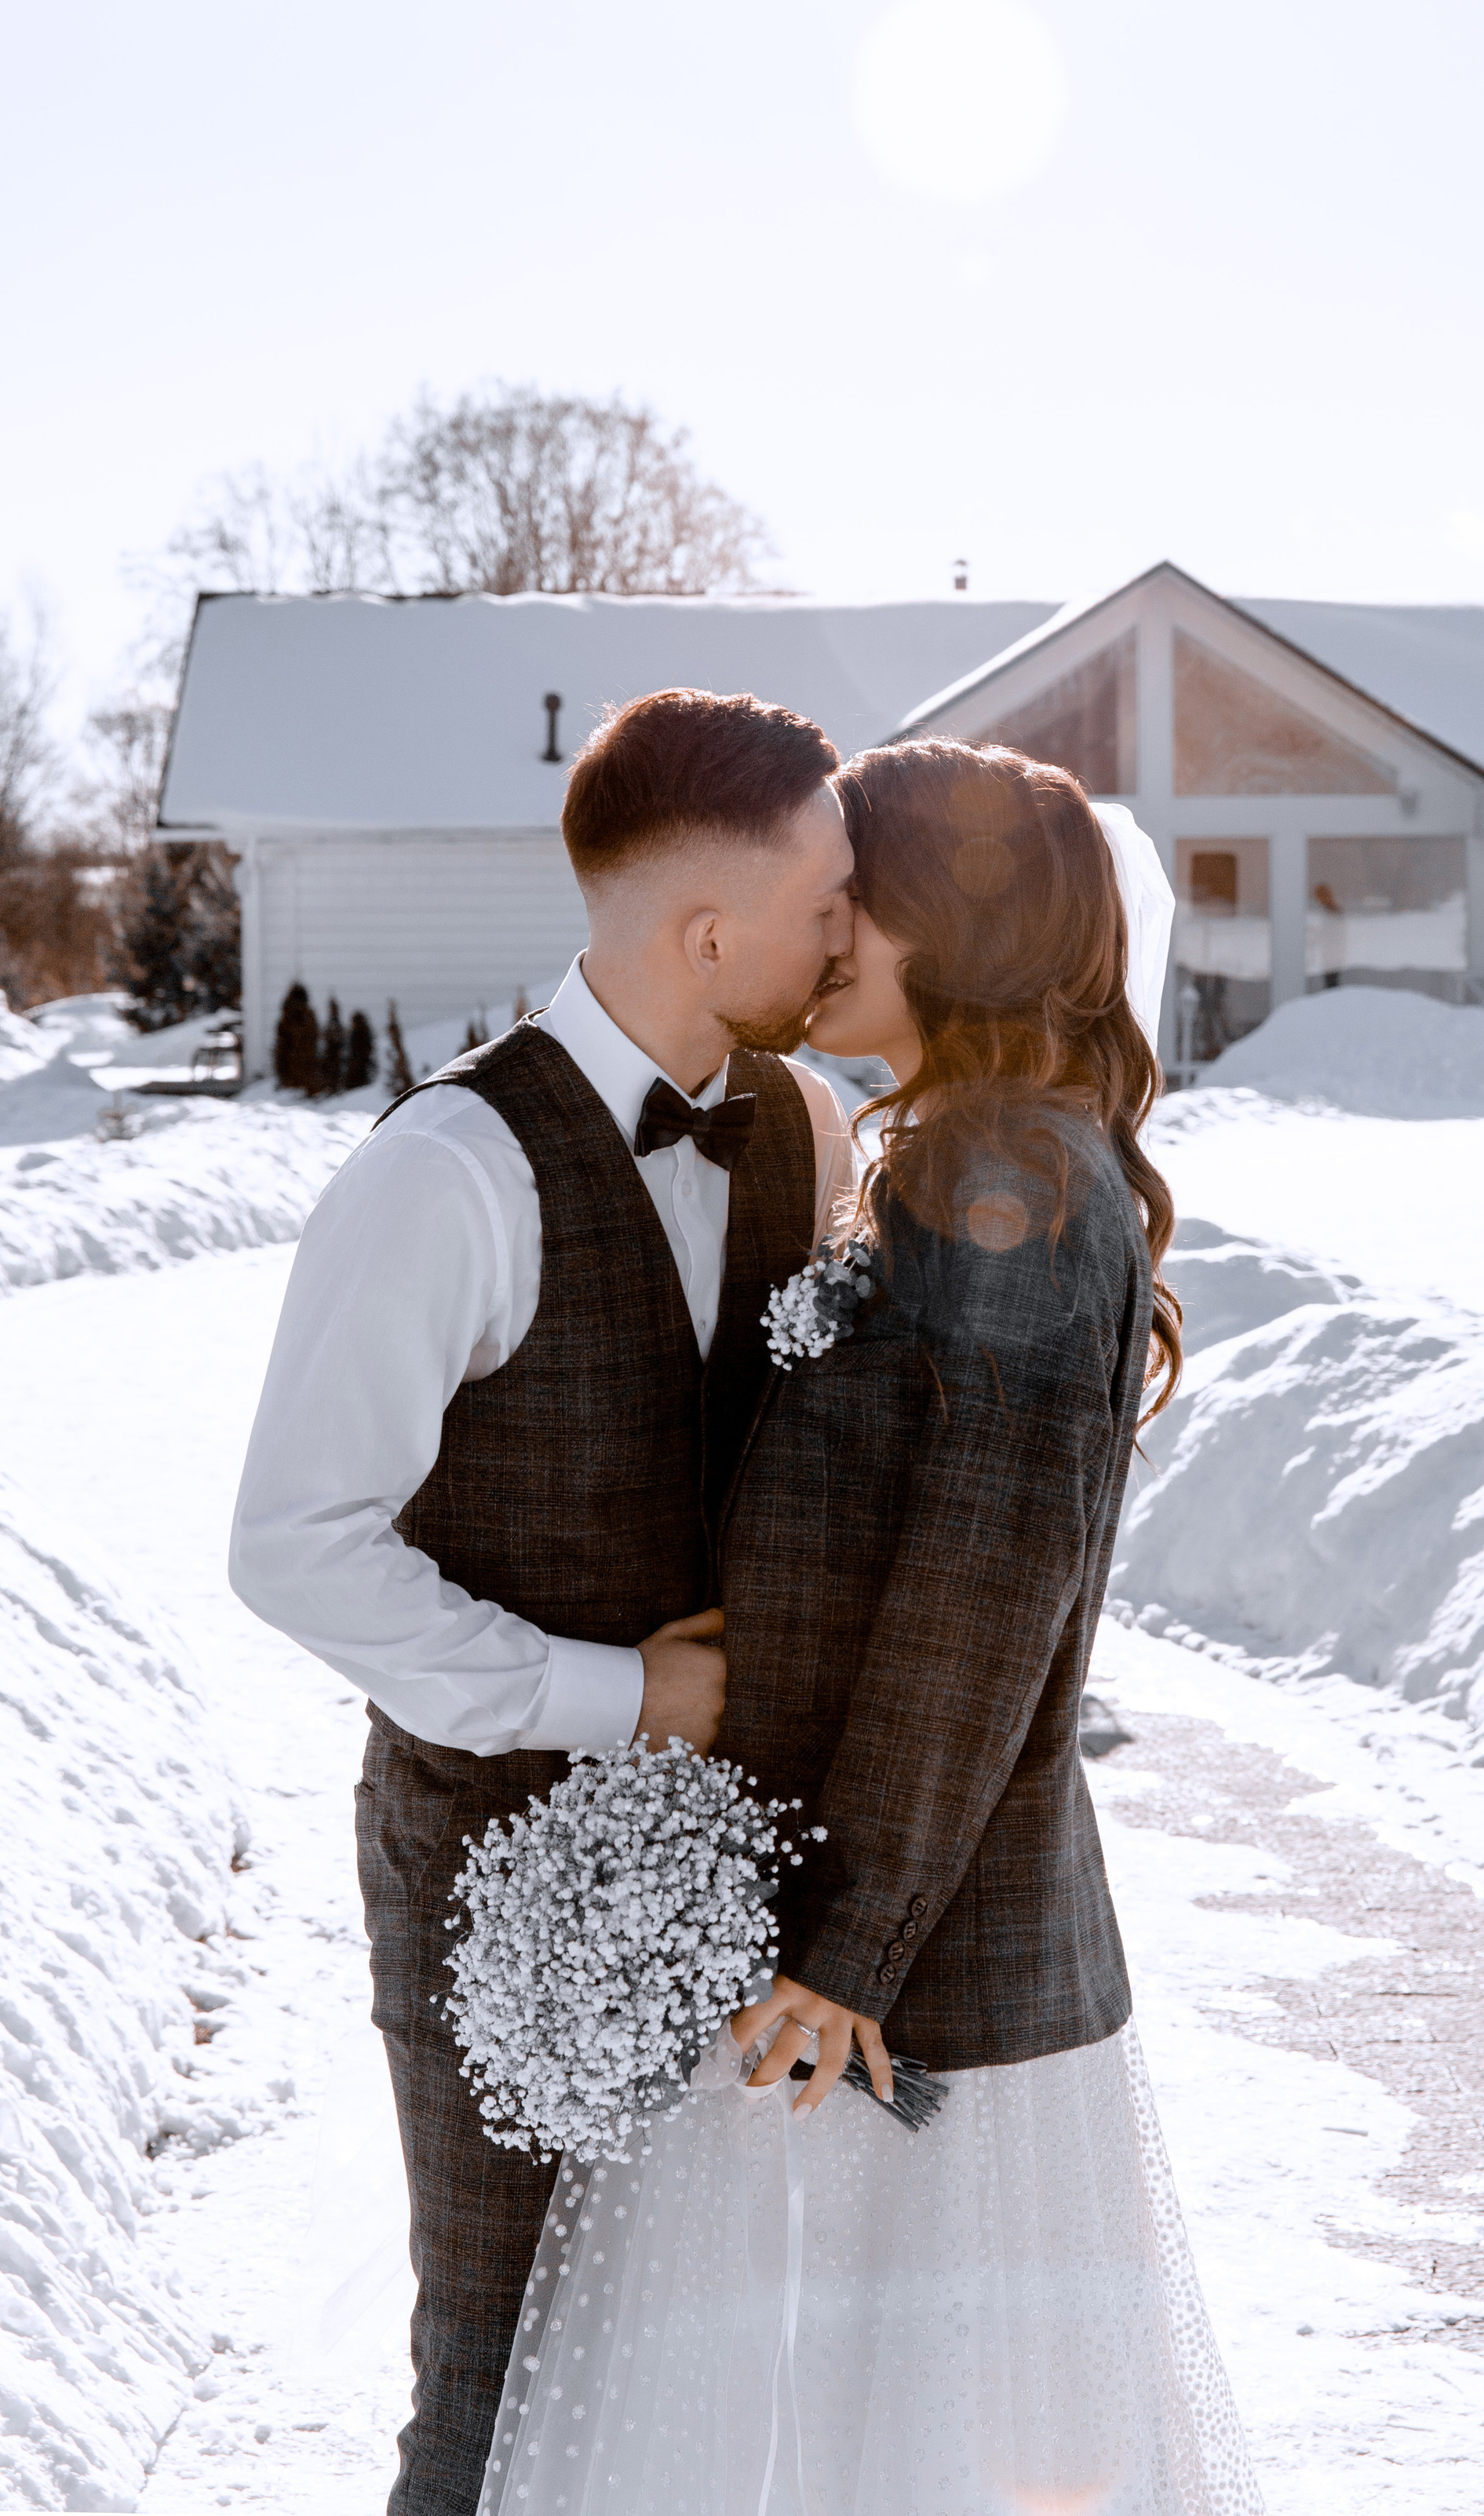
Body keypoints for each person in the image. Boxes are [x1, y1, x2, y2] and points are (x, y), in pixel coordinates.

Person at [476, 740, 1263, 2516]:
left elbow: (982, 1605)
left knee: (930, 2454)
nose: (818, 933)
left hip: (923, 1975)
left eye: (854, 897)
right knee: (833, 2443)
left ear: (951, 924)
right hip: (851, 1934)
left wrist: (851, 1943)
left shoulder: (1014, 1190)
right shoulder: (941, 1158)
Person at [228, 689, 861, 2516]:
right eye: (825, 897)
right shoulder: (442, 1176)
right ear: (708, 931)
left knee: (702, 2376)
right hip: (486, 1881)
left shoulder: (803, 1132)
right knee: (498, 2378)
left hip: (747, 1882)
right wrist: (621, 1698)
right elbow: (294, 1545)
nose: (848, 929)